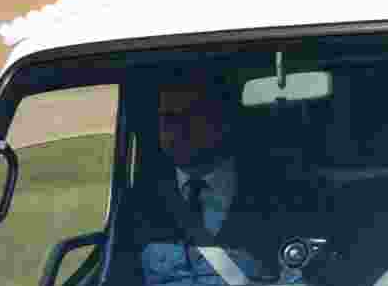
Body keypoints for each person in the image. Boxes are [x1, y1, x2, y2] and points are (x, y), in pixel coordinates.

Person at [121, 70, 332, 285]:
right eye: (169, 118)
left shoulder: (279, 195)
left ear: (222, 120)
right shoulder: (141, 200)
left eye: (193, 116)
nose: (179, 129)